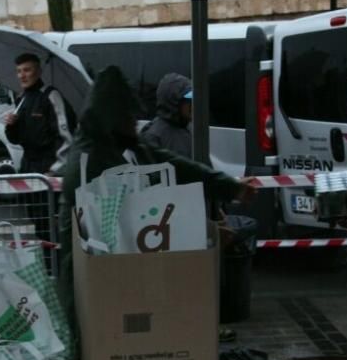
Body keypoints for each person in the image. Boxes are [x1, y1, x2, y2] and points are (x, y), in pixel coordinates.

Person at [58, 66, 258, 338]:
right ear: (112, 117)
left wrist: (229, 187)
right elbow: (134, 212)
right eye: (128, 116)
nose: (134, 122)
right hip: (92, 277)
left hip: (113, 273)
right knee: (99, 347)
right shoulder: (92, 159)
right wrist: (199, 231)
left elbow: (172, 164)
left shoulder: (120, 145)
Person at [5, 52, 76, 268]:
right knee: (39, 225)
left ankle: (61, 270)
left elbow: (67, 138)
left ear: (38, 71)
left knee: (53, 227)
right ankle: (49, 269)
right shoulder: (21, 99)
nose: (22, 75)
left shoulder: (50, 96)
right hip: (29, 169)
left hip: (48, 173)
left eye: (26, 70)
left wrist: (53, 172)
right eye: (19, 71)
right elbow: (16, 140)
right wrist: (11, 125)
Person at [140, 73, 193, 158]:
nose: (193, 103)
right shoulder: (153, 137)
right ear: (174, 100)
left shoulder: (188, 129)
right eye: (188, 98)